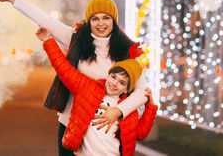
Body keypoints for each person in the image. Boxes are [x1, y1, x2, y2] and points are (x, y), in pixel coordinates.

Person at [0, 0, 148, 155]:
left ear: (113, 20)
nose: (100, 23)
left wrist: (118, 111)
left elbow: (142, 92)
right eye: (95, 19)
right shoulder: (76, 39)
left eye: (106, 18)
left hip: (106, 131)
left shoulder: (126, 51)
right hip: (72, 126)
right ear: (88, 22)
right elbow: (44, 19)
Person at [36, 27, 158, 156]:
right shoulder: (87, 88)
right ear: (108, 75)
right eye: (113, 76)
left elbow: (140, 133)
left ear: (127, 89)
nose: (114, 83)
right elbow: (63, 68)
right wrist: (48, 41)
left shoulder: (127, 109)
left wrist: (150, 107)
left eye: (122, 82)